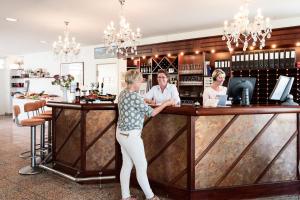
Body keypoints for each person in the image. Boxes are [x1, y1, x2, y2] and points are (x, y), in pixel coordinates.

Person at [117, 70, 175, 200]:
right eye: (140, 80)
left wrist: (147, 103)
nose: (142, 81)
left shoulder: (123, 93)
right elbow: (152, 113)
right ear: (134, 81)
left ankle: (125, 197)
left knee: (127, 165)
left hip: (121, 133)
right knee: (141, 166)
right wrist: (166, 103)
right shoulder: (135, 96)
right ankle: (151, 197)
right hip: (131, 136)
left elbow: (137, 107)